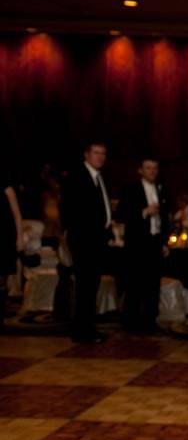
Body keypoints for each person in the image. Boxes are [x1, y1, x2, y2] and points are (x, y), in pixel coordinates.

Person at [61, 142, 113, 343]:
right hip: (85, 240)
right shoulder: (77, 176)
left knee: (91, 285)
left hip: (97, 240)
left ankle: (87, 327)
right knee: (85, 285)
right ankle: (83, 331)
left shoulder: (99, 177)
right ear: (86, 154)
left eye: (103, 153)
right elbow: (71, 209)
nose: (100, 157)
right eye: (96, 153)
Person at [115, 157, 169, 333]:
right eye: (148, 168)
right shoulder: (131, 190)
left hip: (155, 242)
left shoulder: (161, 189)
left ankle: (150, 321)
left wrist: (164, 242)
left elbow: (165, 218)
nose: (152, 171)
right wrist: (144, 212)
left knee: (153, 284)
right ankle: (131, 322)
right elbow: (121, 214)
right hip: (137, 244)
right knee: (134, 283)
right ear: (141, 170)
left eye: (155, 168)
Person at [1, 171, 24, 324]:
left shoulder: (5, 185)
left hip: (4, 237)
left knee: (2, 278)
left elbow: (17, 214)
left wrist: (20, 237)